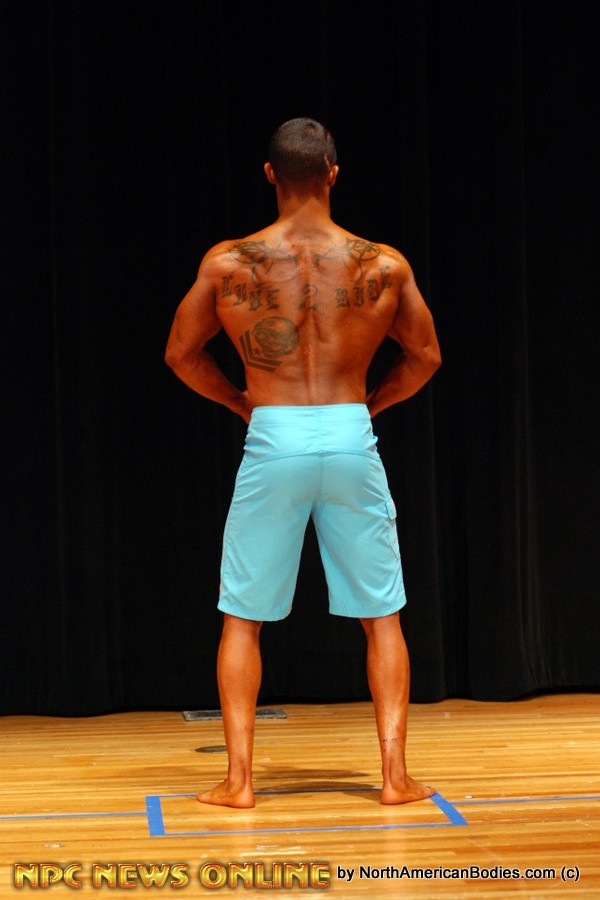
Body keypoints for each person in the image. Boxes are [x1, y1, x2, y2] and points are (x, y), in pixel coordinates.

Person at [165, 118, 441, 809]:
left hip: (274, 432)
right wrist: (371, 406)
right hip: (349, 431)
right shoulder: (383, 264)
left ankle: (239, 782)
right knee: (382, 616)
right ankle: (395, 778)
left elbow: (180, 354)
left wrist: (239, 402)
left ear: (270, 175)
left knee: (242, 617)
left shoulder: (230, 263)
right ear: (333, 174)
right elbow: (426, 356)